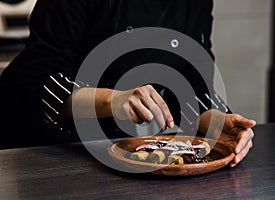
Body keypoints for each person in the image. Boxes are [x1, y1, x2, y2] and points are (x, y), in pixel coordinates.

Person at [0, 0, 255, 167]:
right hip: (35, 147)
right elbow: (38, 80)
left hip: (111, 147)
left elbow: (193, 81)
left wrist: (217, 122)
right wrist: (113, 100)